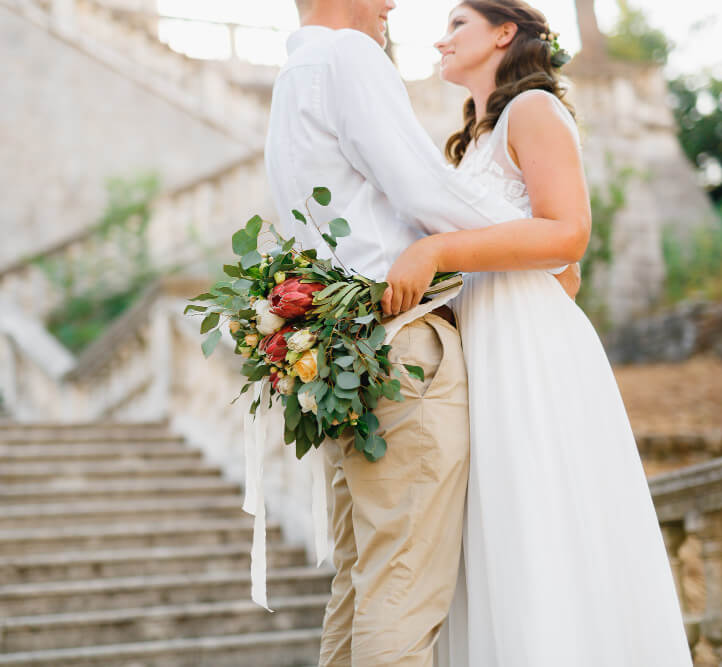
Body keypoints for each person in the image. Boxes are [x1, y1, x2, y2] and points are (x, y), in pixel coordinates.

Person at [265, 1, 579, 664]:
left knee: (359, 584)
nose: (390, 5)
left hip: (339, 354)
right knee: (401, 586)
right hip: (401, 349)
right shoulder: (349, 56)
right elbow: (423, 189)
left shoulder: (291, 79)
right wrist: (544, 243)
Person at [381, 2, 694, 665]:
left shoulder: (533, 111)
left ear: (503, 33)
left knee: (536, 510)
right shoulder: (472, 138)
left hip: (526, 342)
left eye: (457, 25)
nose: (441, 39)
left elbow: (568, 233)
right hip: (484, 337)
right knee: (495, 527)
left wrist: (439, 254)